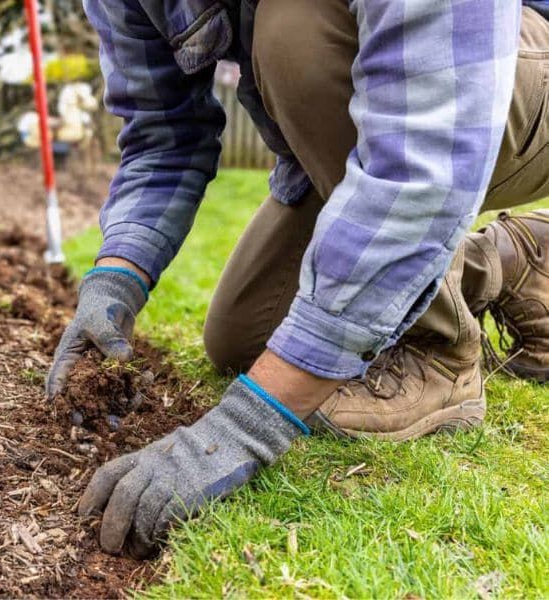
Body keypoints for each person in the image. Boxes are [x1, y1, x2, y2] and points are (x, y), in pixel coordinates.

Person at [47, 0, 549, 558]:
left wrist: (244, 427)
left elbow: (426, 157)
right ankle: (507, 260)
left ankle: (437, 352)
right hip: (378, 116)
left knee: (293, 24)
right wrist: (115, 280)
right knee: (244, 340)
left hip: (490, 78)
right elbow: (162, 137)